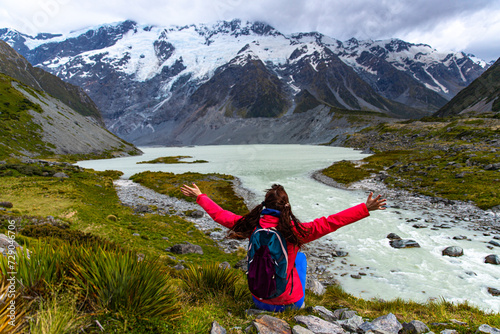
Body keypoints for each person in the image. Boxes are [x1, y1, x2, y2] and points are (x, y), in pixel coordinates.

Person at [180, 183, 386, 312]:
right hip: (289, 304)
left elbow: (220, 215)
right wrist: (365, 208)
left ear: (264, 205)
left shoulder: (252, 225)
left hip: (258, 299)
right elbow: (332, 222)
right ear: (286, 206)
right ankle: (297, 302)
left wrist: (201, 196)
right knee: (299, 258)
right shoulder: (295, 231)